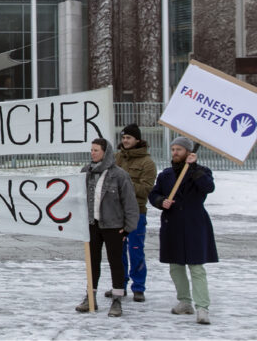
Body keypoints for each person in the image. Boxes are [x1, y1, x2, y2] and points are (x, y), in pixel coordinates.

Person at [149, 137, 217, 325]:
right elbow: (153, 194)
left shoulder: (201, 171)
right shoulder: (166, 175)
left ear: (188, 152)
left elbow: (208, 187)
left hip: (195, 224)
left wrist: (194, 168)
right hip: (173, 225)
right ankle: (184, 301)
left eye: (179, 149)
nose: (175, 153)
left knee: (196, 267)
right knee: (175, 266)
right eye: (173, 149)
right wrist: (161, 201)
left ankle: (202, 307)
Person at [74, 138, 139, 317]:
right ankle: (90, 296)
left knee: (115, 261)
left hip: (113, 226)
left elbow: (130, 203)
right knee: (92, 261)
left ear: (106, 152)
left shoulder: (118, 175)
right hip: (92, 225)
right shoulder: (85, 172)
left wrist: (127, 227)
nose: (92, 153)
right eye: (91, 150)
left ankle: (117, 299)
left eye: (96, 150)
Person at [109, 123, 157, 302]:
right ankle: (119, 285)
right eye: (123, 138)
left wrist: (124, 183)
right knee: (117, 251)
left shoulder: (147, 162)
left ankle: (138, 287)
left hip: (136, 212)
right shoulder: (116, 158)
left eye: (128, 137)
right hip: (115, 212)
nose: (125, 141)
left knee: (135, 249)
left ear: (137, 139)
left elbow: (146, 190)